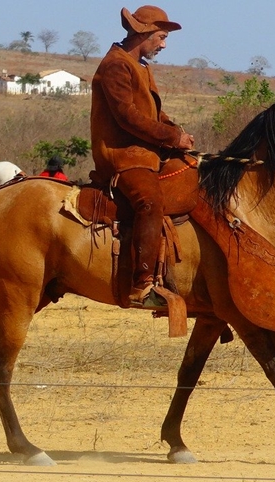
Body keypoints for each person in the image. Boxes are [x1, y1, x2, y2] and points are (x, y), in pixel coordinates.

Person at [90, 5, 195, 307]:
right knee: (150, 202)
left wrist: (177, 133)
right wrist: (172, 137)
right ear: (144, 33)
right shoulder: (116, 66)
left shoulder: (141, 67)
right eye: (161, 37)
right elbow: (128, 117)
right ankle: (142, 285)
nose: (164, 45)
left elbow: (153, 113)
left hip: (145, 154)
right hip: (123, 157)